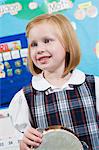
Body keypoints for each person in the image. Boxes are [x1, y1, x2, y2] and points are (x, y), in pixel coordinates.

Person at [8, 13, 99, 150]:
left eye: (47, 41)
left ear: (67, 45)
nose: (39, 49)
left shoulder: (94, 86)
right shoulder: (24, 98)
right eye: (33, 44)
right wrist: (23, 143)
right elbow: (22, 140)